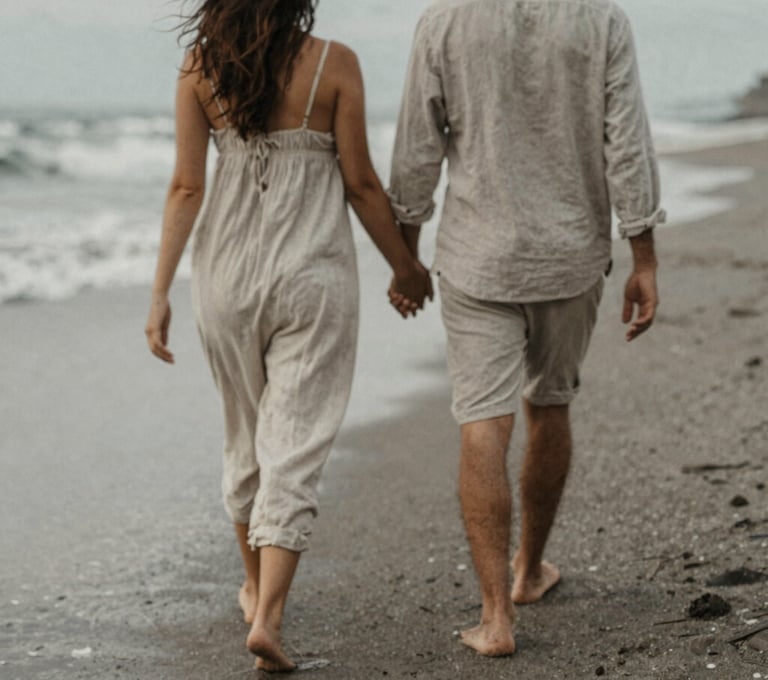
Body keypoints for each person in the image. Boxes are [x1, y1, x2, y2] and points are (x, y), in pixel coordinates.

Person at [145, 0, 431, 671]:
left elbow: (186, 187)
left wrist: (159, 293)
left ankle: (253, 586)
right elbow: (361, 184)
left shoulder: (199, 67)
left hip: (225, 278)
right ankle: (269, 616)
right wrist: (406, 267)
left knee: (245, 434)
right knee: (294, 443)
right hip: (311, 276)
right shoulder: (335, 63)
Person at [388, 0, 664, 657]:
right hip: (569, 257)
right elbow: (627, 142)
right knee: (550, 403)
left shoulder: (444, 20)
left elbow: (417, 148)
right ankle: (529, 570)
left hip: (477, 258)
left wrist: (408, 260)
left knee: (483, 423)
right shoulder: (601, 19)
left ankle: (495, 618)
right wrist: (644, 257)